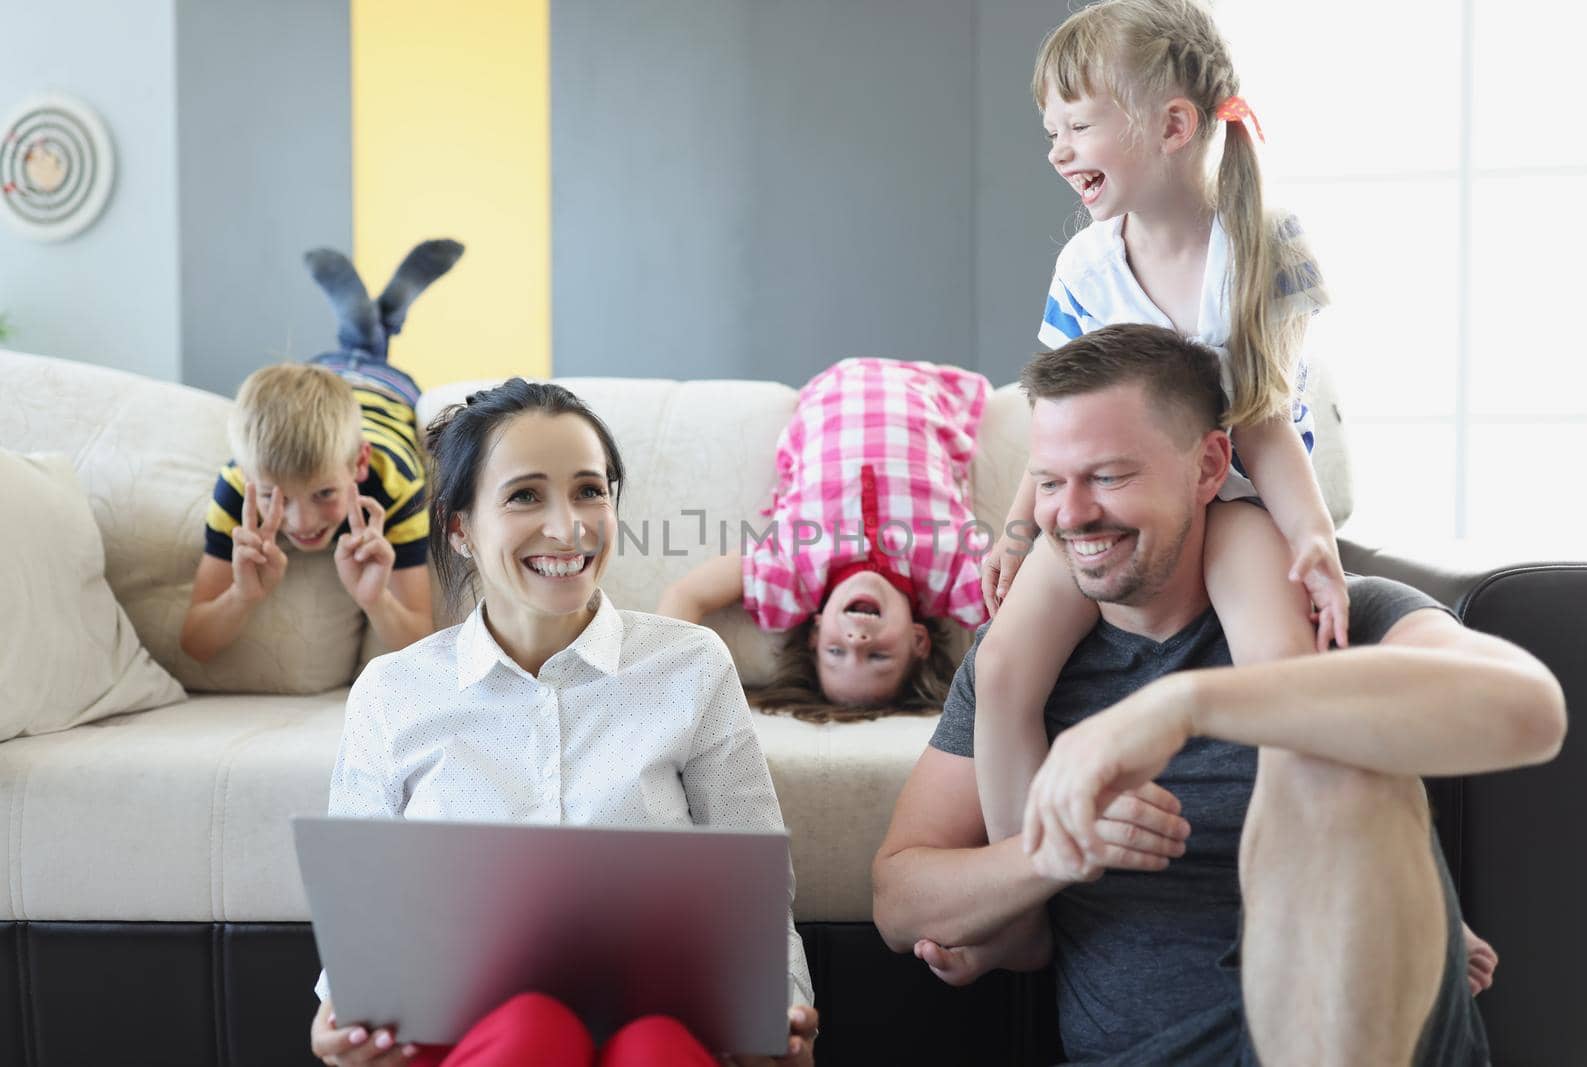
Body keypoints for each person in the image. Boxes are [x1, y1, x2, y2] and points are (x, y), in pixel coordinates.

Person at [872, 325, 1562, 1065]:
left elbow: (1530, 707)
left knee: (1331, 739)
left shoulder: (1335, 616)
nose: (1070, 514)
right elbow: (898, 896)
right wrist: (1053, 852)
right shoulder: (1024, 666)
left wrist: (1184, 706)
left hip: (1368, 1042)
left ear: (1208, 467)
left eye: (1107, 476)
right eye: (1048, 481)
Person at [307, 379, 818, 1067]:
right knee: (532, 1033)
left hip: (659, 1028)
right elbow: (360, 923)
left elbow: (757, 882)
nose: (569, 525)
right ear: (459, 528)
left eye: (589, 490)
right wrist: (338, 1021)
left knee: (657, 1048)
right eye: (525, 495)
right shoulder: (394, 693)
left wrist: (778, 1012)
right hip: (468, 1044)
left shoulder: (691, 664)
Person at [971, 0, 1348, 859]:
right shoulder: (1087, 267)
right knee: (1001, 668)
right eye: (1049, 130)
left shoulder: (1264, 246)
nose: (1058, 150)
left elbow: (1262, 424)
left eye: (1078, 125)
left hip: (1237, 497)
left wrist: (1314, 540)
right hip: (1111, 502)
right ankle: (1029, 881)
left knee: (1283, 674)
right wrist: (1020, 529)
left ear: (1174, 125)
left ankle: (1324, 874)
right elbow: (1057, 434)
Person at [657, 357, 989, 721]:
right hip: (926, 388)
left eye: (835, 651)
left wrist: (667, 697)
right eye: (879, 657)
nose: (857, 641)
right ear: (918, 641)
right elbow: (1028, 613)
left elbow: (686, 595)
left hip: (829, 388)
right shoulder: (957, 577)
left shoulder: (788, 572)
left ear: (816, 633)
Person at [180, 240, 463, 661]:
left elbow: (421, 641)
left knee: (362, 353)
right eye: (277, 496)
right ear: (247, 474)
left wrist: (376, 599)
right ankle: (379, 319)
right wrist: (242, 594)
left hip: (388, 390)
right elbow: (195, 645)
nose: (302, 522)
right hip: (326, 376)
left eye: (324, 494)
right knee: (361, 347)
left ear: (360, 464)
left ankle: (371, 323)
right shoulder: (240, 486)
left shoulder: (395, 482)